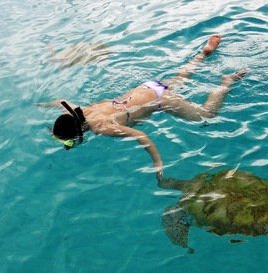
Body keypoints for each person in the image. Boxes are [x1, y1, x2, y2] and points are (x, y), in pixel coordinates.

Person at [39, 34, 248, 182]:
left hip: (159, 100)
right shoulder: (82, 109)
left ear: (77, 133)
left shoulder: (101, 127)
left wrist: (157, 163)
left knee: (206, 115)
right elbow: (60, 100)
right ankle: (203, 54)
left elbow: (141, 136)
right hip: (145, 88)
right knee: (177, 80)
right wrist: (43, 104)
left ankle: (227, 82)